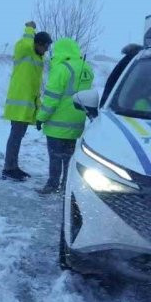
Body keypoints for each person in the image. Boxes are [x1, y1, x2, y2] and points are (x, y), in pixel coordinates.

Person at [35, 38, 94, 195]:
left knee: (55, 156)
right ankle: (67, 186)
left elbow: (51, 99)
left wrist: (41, 118)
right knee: (69, 157)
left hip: (57, 123)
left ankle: (52, 184)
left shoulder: (61, 69)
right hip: (76, 122)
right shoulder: (86, 67)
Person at [2, 21, 51, 181]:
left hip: (26, 104)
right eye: (45, 46)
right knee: (15, 136)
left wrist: (38, 106)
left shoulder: (37, 57)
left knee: (18, 136)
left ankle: (13, 166)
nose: (47, 50)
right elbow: (25, 43)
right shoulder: (25, 50)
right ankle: (9, 169)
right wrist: (30, 29)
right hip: (19, 104)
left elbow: (35, 85)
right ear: (37, 43)